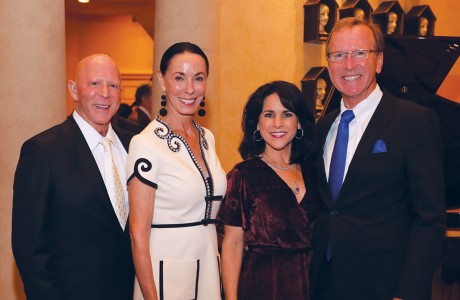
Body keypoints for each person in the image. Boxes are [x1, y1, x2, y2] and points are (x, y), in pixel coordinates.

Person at [310, 17, 446, 300]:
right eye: (338, 55)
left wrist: (407, 293)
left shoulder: (414, 122)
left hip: (386, 287)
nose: (349, 65)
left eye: (360, 53)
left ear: (379, 61)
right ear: (329, 64)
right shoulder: (323, 127)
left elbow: (429, 219)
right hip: (324, 283)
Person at [12, 54, 135, 300]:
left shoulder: (136, 141)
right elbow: (29, 246)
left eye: (113, 85)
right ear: (74, 90)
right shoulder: (42, 151)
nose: (105, 93)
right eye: (94, 83)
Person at [127, 42, 227, 300]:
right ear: (162, 80)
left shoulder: (207, 137)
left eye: (199, 78)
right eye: (179, 78)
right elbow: (138, 236)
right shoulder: (146, 144)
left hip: (207, 264)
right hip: (165, 275)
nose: (190, 89)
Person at [218, 81, 318, 300]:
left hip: (314, 286)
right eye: (269, 115)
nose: (278, 124)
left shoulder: (315, 172)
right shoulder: (243, 176)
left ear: (299, 123)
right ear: (257, 123)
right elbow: (233, 244)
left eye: (287, 114)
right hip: (262, 288)